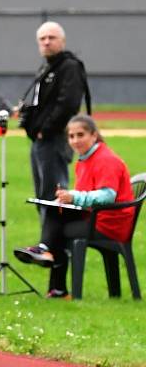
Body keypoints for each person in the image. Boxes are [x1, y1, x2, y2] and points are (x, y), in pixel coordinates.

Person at [13, 115, 134, 299]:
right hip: (95, 217)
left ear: (94, 136)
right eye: (71, 136)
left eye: (80, 135)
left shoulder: (105, 159)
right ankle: (52, 273)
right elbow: (86, 195)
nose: (75, 141)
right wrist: (68, 199)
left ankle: (51, 269)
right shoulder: (85, 159)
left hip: (110, 225)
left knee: (59, 230)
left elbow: (107, 196)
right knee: (56, 210)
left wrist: (74, 196)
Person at [18, 21, 89, 224]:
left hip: (54, 138)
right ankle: (47, 244)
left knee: (54, 195)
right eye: (42, 39)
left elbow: (68, 104)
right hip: (40, 139)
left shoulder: (69, 67)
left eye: (52, 38)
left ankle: (56, 246)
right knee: (43, 194)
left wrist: (45, 129)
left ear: (63, 41)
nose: (47, 42)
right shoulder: (48, 67)